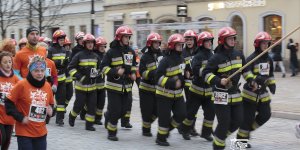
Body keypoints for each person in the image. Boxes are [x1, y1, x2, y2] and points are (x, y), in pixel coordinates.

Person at [202, 27, 256, 150]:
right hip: (220, 94)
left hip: (235, 93)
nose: (233, 41)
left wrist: (251, 80)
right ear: (222, 40)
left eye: (233, 38)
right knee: (224, 122)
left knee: (238, 120)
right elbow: (205, 74)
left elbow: (245, 70)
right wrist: (218, 80)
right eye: (230, 38)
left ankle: (219, 136)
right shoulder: (215, 57)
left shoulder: (239, 55)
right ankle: (218, 146)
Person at [5, 55, 54, 150]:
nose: (40, 73)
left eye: (42, 71)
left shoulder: (47, 86)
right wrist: (21, 118)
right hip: (24, 132)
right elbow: (8, 103)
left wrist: (51, 112)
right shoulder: (22, 84)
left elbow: (51, 104)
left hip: (41, 132)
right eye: (36, 71)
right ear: (30, 71)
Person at [237, 32, 276, 148]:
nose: (265, 45)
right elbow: (245, 72)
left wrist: (272, 84)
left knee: (266, 115)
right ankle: (239, 144)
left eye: (267, 43)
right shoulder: (251, 58)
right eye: (263, 43)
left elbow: (270, 74)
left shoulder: (269, 59)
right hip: (250, 95)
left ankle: (248, 131)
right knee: (246, 120)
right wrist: (253, 80)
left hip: (263, 95)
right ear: (257, 44)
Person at [100, 26, 137, 141]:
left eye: (128, 37)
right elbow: (103, 68)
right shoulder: (111, 52)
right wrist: (115, 71)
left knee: (125, 110)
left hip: (127, 86)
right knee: (116, 111)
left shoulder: (130, 51)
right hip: (113, 87)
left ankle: (108, 115)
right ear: (119, 37)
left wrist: (133, 73)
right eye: (125, 36)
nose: (127, 39)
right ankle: (112, 133)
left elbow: (134, 65)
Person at [180, 31, 215, 141]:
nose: (210, 43)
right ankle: (185, 129)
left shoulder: (212, 55)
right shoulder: (198, 56)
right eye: (207, 41)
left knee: (210, 113)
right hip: (196, 91)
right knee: (191, 113)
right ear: (201, 43)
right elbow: (195, 69)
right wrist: (207, 73)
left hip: (209, 90)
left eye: (210, 41)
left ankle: (206, 133)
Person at [155, 33, 186, 146]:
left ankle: (166, 130)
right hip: (164, 95)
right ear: (172, 46)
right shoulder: (165, 60)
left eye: (182, 45)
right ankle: (160, 138)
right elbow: (157, 78)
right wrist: (172, 82)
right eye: (178, 45)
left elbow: (182, 74)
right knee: (164, 118)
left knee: (182, 114)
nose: (181, 47)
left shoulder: (182, 59)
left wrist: (187, 75)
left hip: (177, 95)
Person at [68, 33, 100, 131]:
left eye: (91, 43)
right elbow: (71, 68)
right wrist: (80, 77)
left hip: (92, 87)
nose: (90, 44)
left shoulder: (96, 56)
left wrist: (96, 74)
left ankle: (89, 125)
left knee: (92, 106)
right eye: (88, 43)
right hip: (80, 87)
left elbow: (99, 68)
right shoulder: (78, 55)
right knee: (79, 105)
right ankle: (72, 115)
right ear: (84, 44)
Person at [139, 32, 162, 137]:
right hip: (146, 89)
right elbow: (142, 72)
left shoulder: (162, 55)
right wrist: (153, 73)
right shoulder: (145, 57)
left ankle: (147, 124)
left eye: (158, 42)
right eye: (155, 43)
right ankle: (146, 129)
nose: (157, 44)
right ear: (150, 43)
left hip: (158, 89)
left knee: (158, 110)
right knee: (146, 111)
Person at [47, 30, 68, 126]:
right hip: (52, 80)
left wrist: (65, 64)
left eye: (63, 39)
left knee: (61, 100)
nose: (62, 41)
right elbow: (48, 63)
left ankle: (60, 119)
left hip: (62, 79)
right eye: (60, 39)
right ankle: (46, 116)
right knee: (49, 99)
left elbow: (64, 64)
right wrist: (59, 63)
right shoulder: (50, 50)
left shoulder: (64, 50)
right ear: (56, 39)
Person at [181, 29, 199, 136]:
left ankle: (191, 127)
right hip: (187, 83)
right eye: (187, 39)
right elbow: (178, 65)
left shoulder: (198, 51)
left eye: (191, 39)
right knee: (191, 105)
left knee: (194, 106)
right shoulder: (182, 53)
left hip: (197, 82)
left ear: (195, 40)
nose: (189, 41)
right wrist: (184, 72)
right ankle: (187, 127)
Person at [0, 52, 19, 150]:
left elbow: (22, 92)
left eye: (9, 62)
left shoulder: (16, 78)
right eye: (5, 62)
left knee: (7, 141)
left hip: (10, 115)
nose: (8, 64)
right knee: (1, 138)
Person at [93, 36, 107, 125]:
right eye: (101, 46)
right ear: (97, 46)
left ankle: (98, 118)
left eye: (104, 46)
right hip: (93, 84)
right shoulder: (94, 56)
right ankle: (86, 115)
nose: (102, 48)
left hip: (102, 84)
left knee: (101, 102)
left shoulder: (106, 56)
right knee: (93, 103)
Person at [63, 37, 73, 108]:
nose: (67, 47)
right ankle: (60, 108)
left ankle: (65, 105)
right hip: (62, 79)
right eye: (65, 45)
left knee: (70, 94)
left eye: (68, 45)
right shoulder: (61, 53)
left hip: (69, 78)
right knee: (61, 95)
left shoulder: (71, 53)